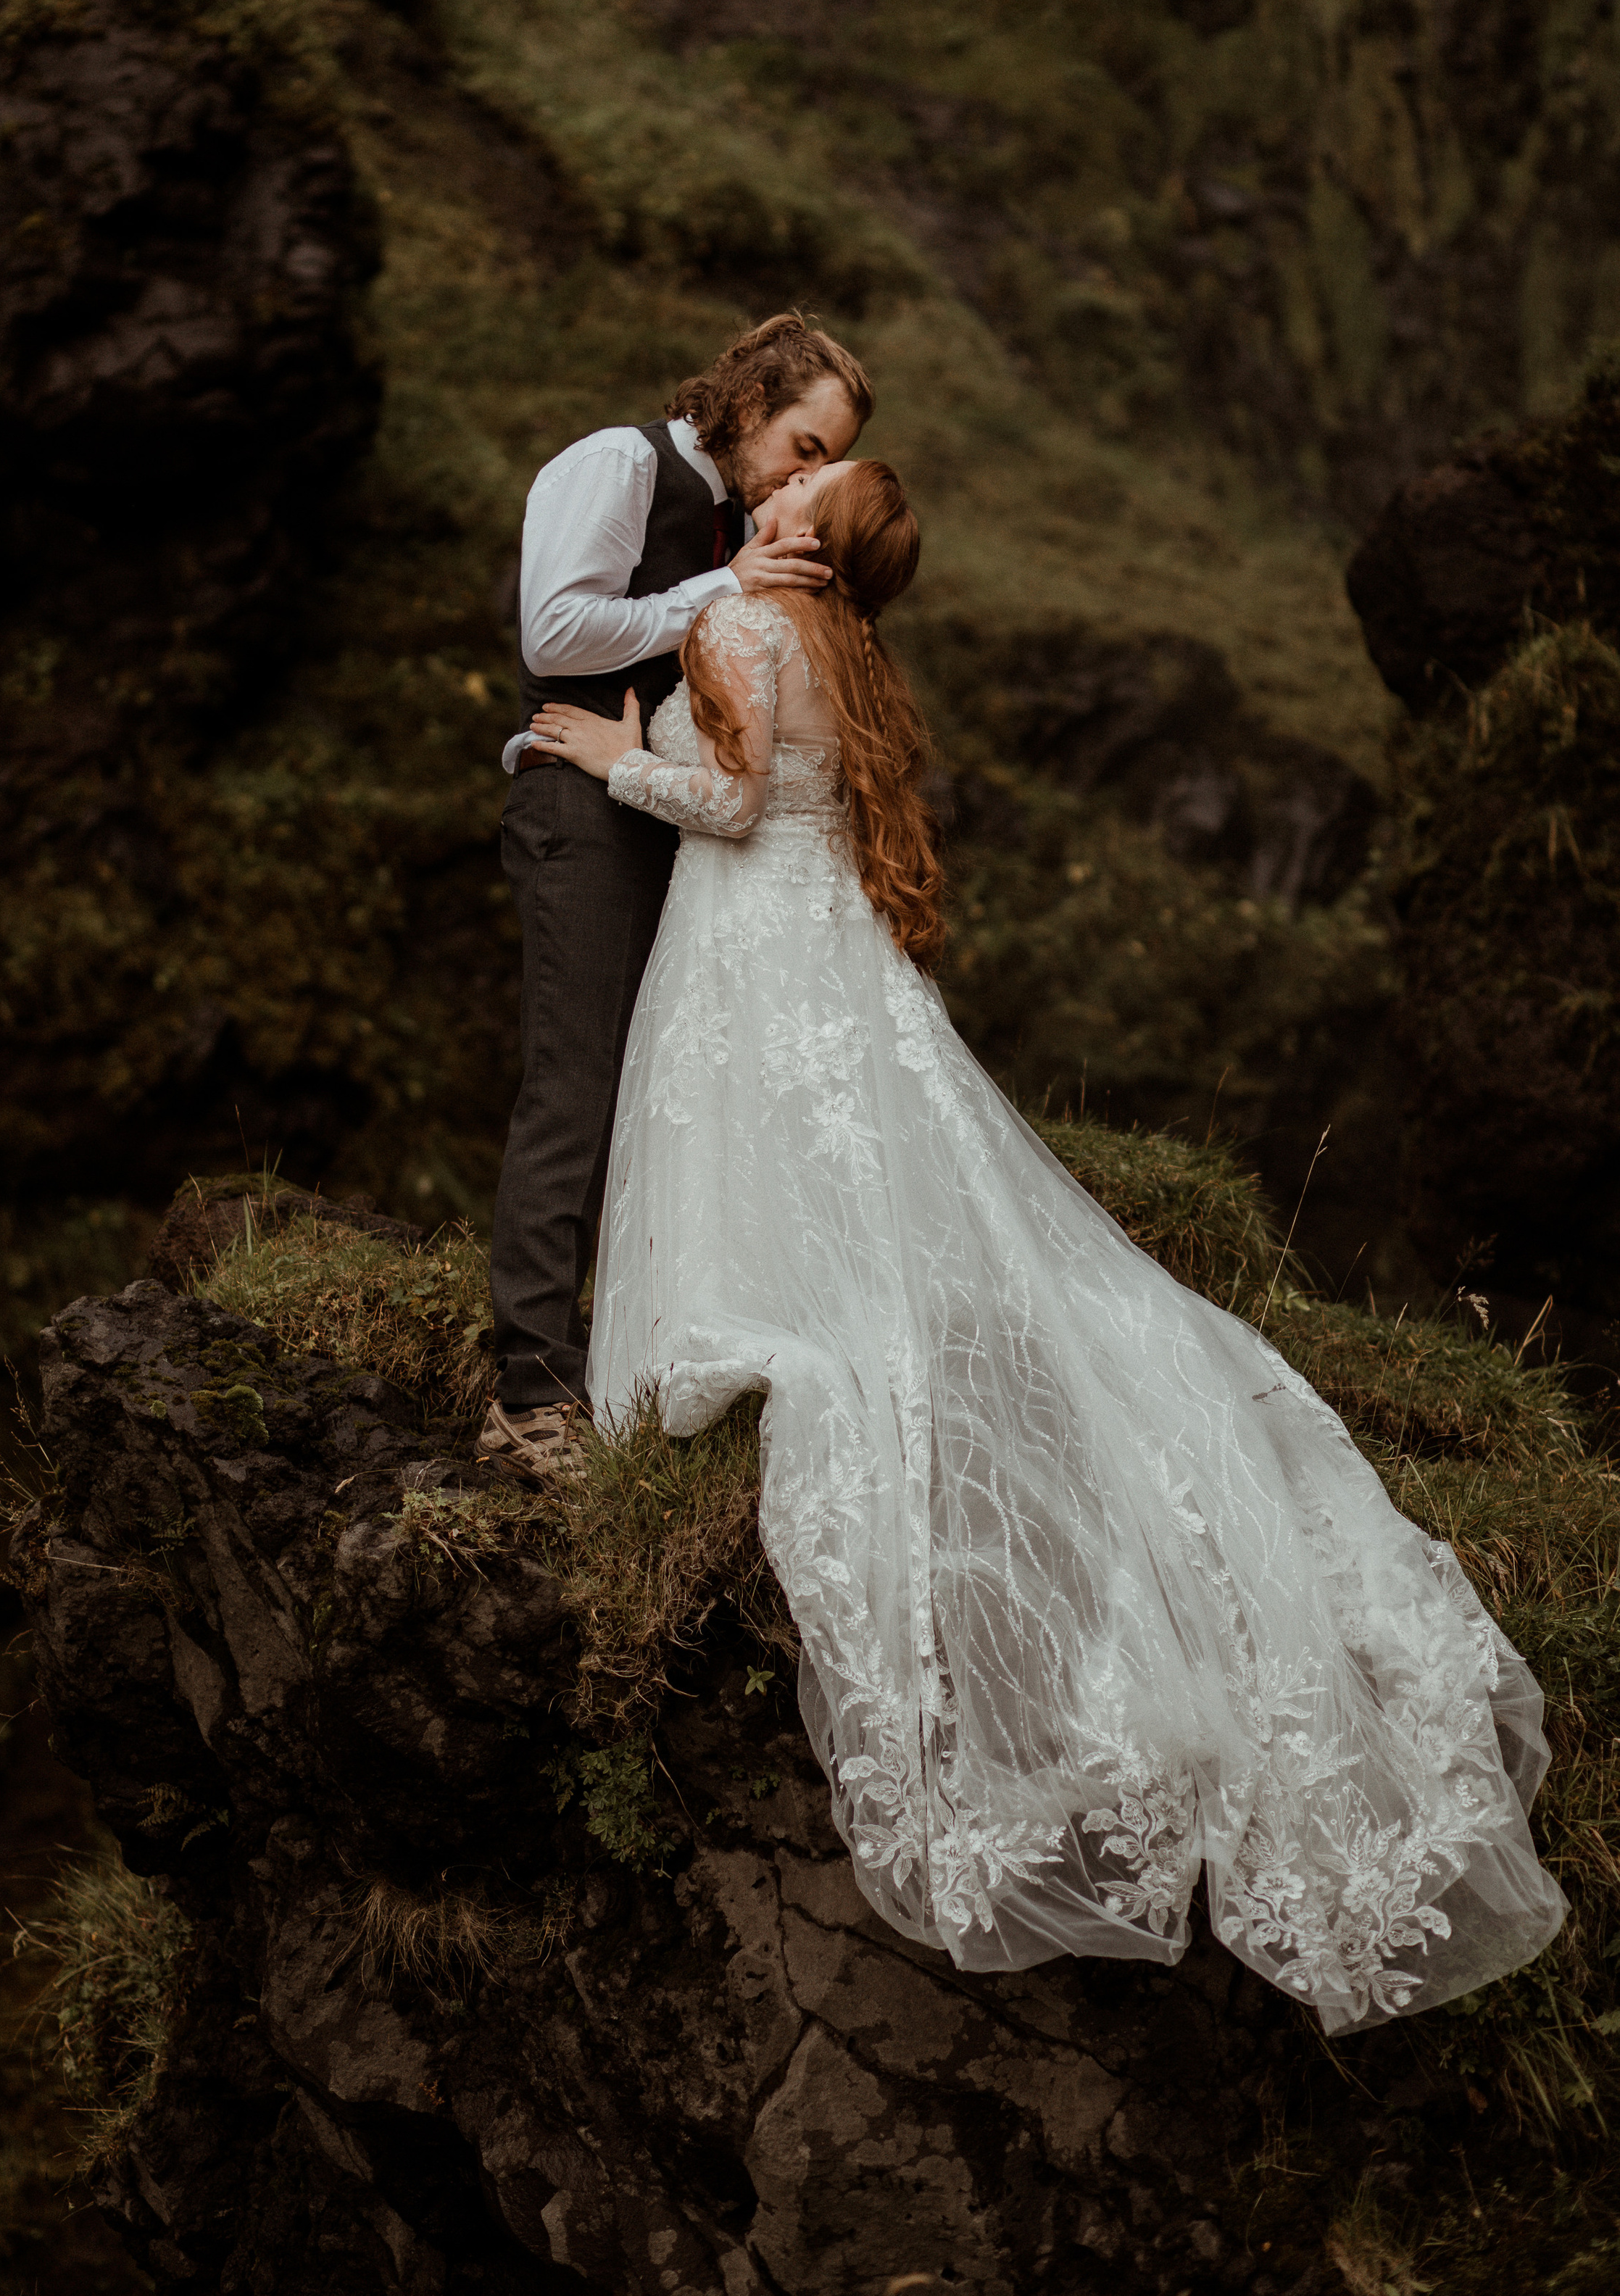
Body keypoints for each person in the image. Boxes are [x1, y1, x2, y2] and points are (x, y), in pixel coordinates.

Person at [524, 455, 1566, 2035]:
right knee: (873, 1156)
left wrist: (612, 751)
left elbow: (729, 806)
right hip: (830, 942)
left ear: (804, 541)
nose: (776, 499)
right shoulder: (849, 650)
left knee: (774, 1167)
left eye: (803, 495)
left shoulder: (743, 628)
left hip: (745, 941)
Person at [486, 314, 873, 1475]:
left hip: (676, 818)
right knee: (576, 1084)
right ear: (751, 397)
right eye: (804, 445)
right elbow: (554, 633)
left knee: (663, 1089)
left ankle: (630, 1358)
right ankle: (528, 1396)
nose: (806, 477)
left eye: (824, 464)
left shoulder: (739, 525)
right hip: (581, 809)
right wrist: (725, 582)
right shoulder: (616, 465)